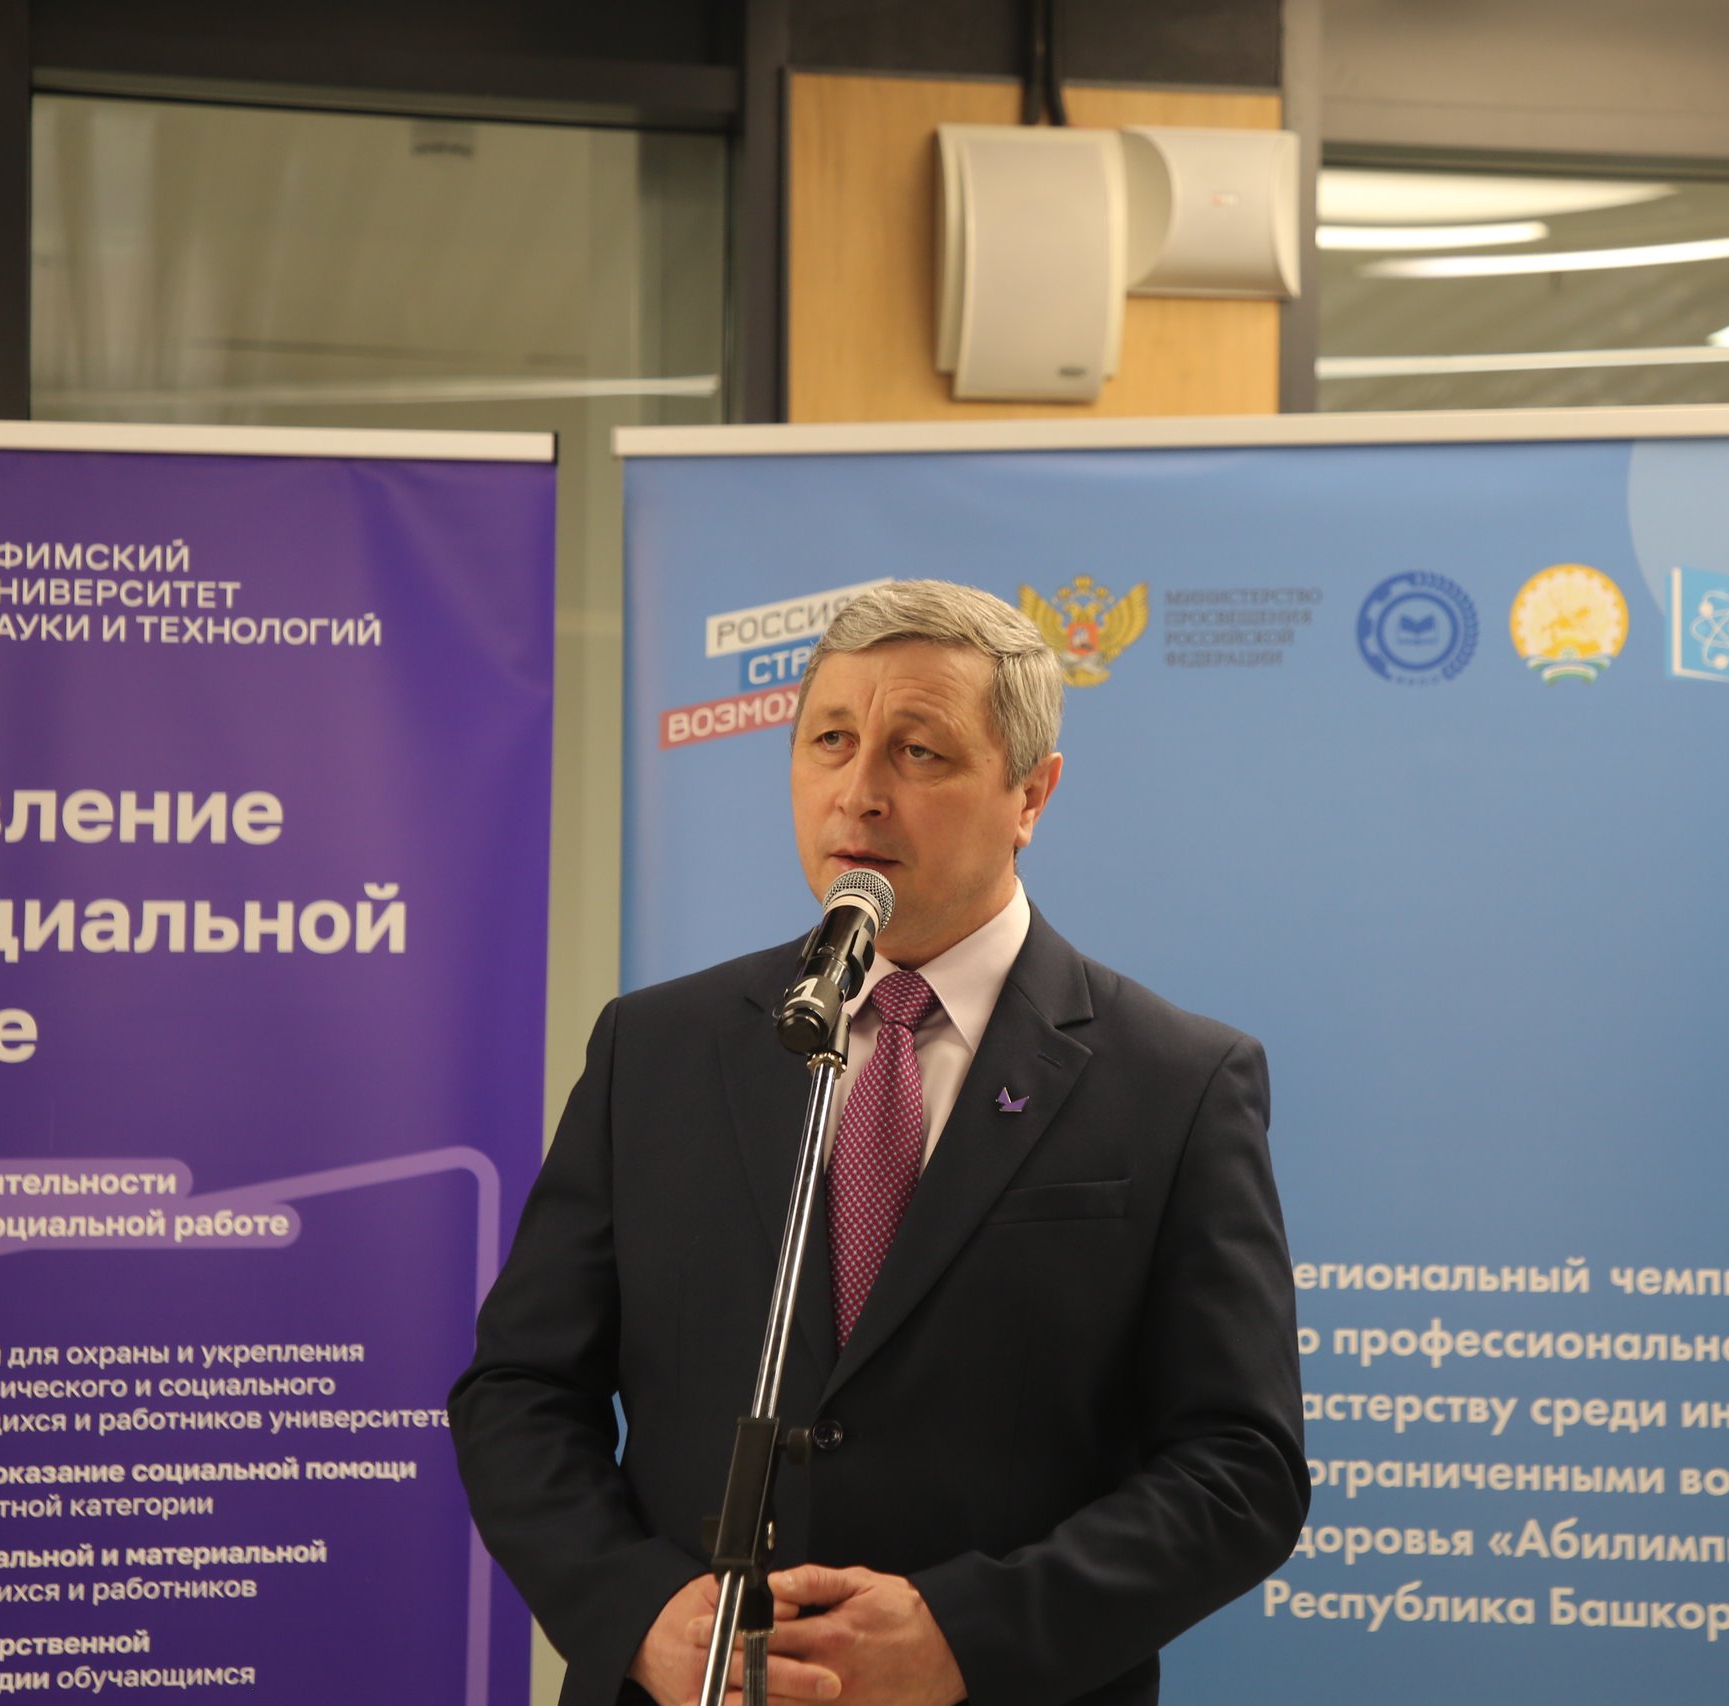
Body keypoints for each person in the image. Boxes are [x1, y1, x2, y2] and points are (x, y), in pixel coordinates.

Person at [450, 579, 1306, 1706]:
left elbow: (1240, 1469)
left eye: (919, 751)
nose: (858, 794)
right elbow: (519, 1388)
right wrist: (637, 1611)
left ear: (1031, 794)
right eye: (830, 742)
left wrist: (965, 1636)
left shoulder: (1177, 1080)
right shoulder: (654, 1048)